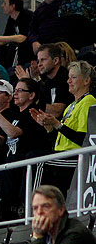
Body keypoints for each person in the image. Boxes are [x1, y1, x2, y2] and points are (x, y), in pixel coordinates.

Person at [31, 61, 96, 194]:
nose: (68, 81)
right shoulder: (70, 106)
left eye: (73, 77)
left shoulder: (89, 101)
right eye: (68, 77)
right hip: (63, 155)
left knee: (37, 160)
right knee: (30, 156)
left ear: (86, 80)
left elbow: (84, 139)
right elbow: (61, 139)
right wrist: (48, 127)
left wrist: (57, 124)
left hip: (77, 157)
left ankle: (29, 209)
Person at [22, 43, 72, 117]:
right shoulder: (49, 81)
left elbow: (57, 111)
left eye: (43, 60)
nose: (39, 64)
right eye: (38, 61)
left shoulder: (65, 78)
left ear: (55, 60)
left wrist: (31, 100)